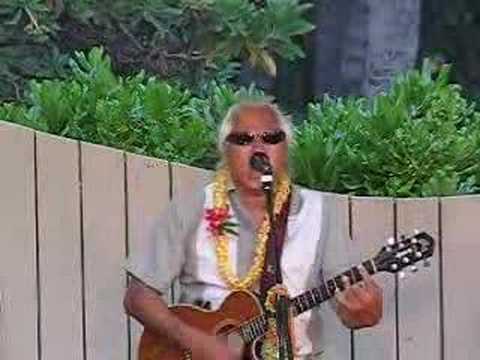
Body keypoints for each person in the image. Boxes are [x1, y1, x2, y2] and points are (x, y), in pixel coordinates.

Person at [123, 101, 383, 359]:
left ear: (286, 148)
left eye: (271, 138)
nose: (258, 149)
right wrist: (194, 340)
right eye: (243, 139)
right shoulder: (192, 208)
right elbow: (138, 297)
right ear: (225, 149)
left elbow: (348, 307)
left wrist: (362, 311)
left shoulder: (319, 212)